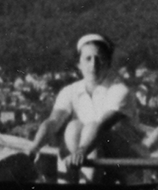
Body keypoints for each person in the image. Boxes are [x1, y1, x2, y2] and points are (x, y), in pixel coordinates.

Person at [25, 32, 143, 172]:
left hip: (128, 166)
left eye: (99, 59)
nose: (93, 65)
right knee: (73, 128)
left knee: (89, 132)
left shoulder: (120, 90)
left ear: (108, 63)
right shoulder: (70, 91)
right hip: (95, 158)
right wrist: (35, 147)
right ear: (79, 64)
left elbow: (102, 125)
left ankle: (84, 184)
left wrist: (81, 151)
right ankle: (72, 187)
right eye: (88, 59)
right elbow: (53, 122)